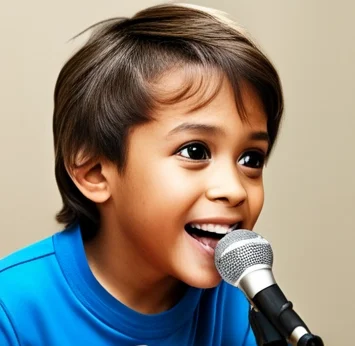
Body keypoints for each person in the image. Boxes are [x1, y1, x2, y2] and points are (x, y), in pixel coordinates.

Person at [0, 3, 283, 345]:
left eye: (250, 158)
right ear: (94, 172)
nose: (235, 190)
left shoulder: (237, 307)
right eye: (195, 151)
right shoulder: (13, 310)